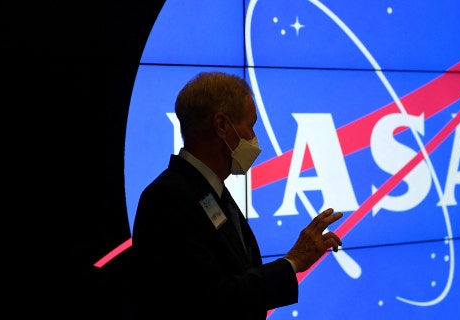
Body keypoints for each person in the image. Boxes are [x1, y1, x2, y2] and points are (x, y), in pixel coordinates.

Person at [131, 71, 344, 319]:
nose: (254, 139)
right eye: (250, 125)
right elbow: (210, 299)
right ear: (221, 125)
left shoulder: (210, 191)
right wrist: (293, 262)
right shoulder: (167, 198)